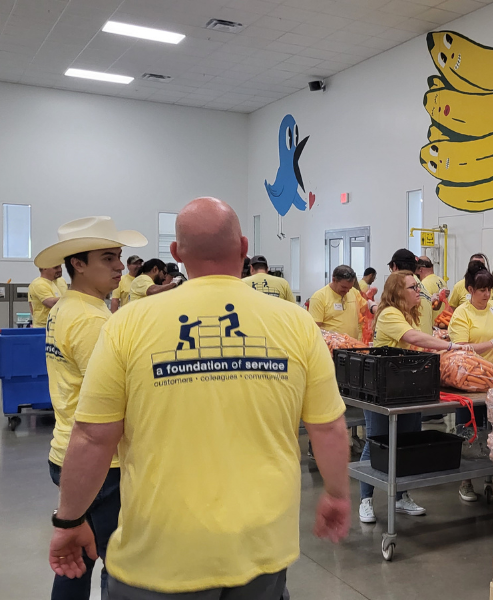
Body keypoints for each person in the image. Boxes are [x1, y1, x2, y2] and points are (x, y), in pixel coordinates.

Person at [47, 198, 352, 598]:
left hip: (162, 551)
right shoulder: (295, 321)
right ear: (243, 248)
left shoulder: (128, 324)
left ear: (176, 254)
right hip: (262, 545)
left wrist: (69, 520)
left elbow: (92, 437)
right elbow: (327, 427)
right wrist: (336, 493)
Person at [36, 216, 147, 599]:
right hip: (102, 461)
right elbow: (116, 398)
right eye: (107, 258)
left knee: (78, 556)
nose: (119, 266)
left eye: (118, 256)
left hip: (67, 448)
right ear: (78, 264)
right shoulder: (91, 320)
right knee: (113, 560)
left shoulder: (67, 306)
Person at [359, 271, 493, 524]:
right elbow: (413, 338)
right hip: (382, 388)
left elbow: (418, 341)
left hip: (405, 387)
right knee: (377, 440)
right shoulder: (389, 314)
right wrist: (452, 346)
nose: (418, 292)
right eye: (412, 288)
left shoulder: (408, 314)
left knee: (406, 441)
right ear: (398, 292)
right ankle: (365, 500)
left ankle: (400, 497)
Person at [448, 267, 493, 501]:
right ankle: (465, 481)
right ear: (470, 290)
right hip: (470, 381)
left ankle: (490, 478)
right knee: (468, 432)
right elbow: (459, 348)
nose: (487, 295)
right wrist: (491, 343)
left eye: (489, 289)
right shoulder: (461, 313)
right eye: (482, 290)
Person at [309, 265, 364, 338]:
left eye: (349, 288)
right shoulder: (319, 297)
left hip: (353, 345)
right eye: (343, 287)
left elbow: (366, 308)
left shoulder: (354, 292)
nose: (347, 291)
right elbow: (314, 329)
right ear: (334, 280)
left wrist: (374, 307)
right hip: (331, 347)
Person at [388, 249, 433, 334]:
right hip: (426, 340)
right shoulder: (419, 284)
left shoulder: (401, 285)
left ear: (395, 266)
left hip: (414, 341)